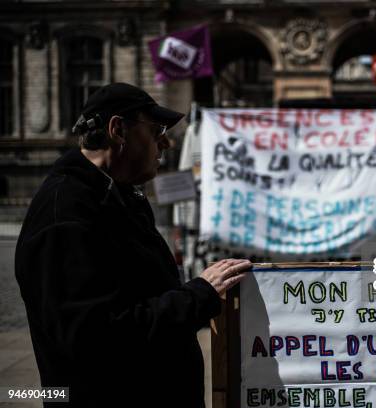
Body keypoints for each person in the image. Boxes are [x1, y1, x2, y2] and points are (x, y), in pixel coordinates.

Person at [14, 83, 252, 407]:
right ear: (118, 130)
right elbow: (98, 339)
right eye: (156, 131)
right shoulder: (66, 215)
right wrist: (199, 294)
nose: (165, 142)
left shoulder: (119, 194)